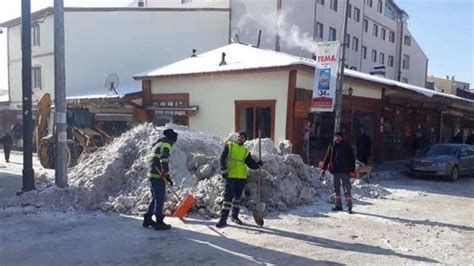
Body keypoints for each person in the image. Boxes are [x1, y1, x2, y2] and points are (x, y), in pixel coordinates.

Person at [215, 131, 263, 228]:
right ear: (237, 137)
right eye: (239, 136)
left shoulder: (245, 151)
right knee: (228, 198)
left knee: (237, 198)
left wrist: (257, 165)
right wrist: (223, 170)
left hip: (241, 177)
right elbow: (222, 159)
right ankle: (223, 219)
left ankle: (235, 217)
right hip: (231, 176)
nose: (240, 138)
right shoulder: (230, 146)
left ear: (245, 140)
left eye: (243, 137)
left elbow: (250, 163)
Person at [143, 128, 178, 230]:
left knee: (154, 199)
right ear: (172, 139)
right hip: (157, 176)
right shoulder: (166, 144)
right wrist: (165, 172)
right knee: (160, 199)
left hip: (153, 175)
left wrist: (167, 176)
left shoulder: (158, 144)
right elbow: (164, 159)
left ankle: (147, 219)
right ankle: (159, 222)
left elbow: (157, 161)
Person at [320, 132, 356, 214]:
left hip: (345, 171)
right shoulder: (332, 146)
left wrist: (352, 171)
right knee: (336, 190)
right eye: (335, 137)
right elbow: (327, 158)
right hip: (335, 171)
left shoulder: (347, 146)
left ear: (342, 137)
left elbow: (351, 159)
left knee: (347, 189)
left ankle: (349, 207)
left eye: (338, 137)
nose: (336, 138)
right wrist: (323, 168)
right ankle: (338, 205)